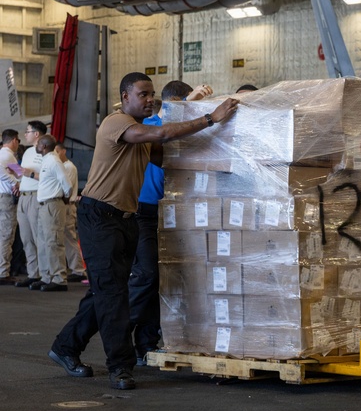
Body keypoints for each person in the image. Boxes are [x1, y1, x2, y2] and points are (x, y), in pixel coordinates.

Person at [49, 72, 239, 390]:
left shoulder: (141, 137)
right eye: (143, 94)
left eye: (152, 94)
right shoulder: (116, 122)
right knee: (114, 296)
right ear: (125, 97)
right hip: (99, 217)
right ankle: (120, 368)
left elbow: (167, 155)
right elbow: (162, 134)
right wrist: (210, 118)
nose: (149, 99)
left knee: (106, 292)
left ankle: (65, 347)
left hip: (127, 219)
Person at [129, 80, 212, 366]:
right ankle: (119, 330)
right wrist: (187, 103)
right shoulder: (151, 123)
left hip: (174, 212)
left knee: (165, 281)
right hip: (144, 211)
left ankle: (147, 343)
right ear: (172, 102)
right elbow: (164, 127)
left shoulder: (186, 132)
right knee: (148, 274)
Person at [33, 135, 71, 292]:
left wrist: (65, 198)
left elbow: (67, 184)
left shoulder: (54, 161)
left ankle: (59, 278)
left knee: (53, 242)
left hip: (52, 205)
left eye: (38, 143)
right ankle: (47, 276)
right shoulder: (48, 160)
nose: (36, 145)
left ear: (43, 146)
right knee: (43, 242)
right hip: (44, 205)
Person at [14, 120, 46, 288]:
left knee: (37, 237)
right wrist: (18, 180)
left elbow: (48, 177)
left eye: (27, 131)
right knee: (26, 237)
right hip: (23, 196)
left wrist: (31, 174)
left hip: (36, 197)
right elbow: (23, 174)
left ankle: (44, 273)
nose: (24, 135)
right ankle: (33, 273)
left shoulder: (46, 152)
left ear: (36, 134)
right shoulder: (26, 153)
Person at [55, 143, 85, 282]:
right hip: (62, 204)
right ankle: (73, 267)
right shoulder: (60, 166)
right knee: (64, 237)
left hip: (67, 204)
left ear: (63, 151)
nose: (55, 155)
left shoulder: (69, 167)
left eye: (57, 151)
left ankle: (78, 269)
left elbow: (65, 187)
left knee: (69, 237)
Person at [0, 129, 21, 285]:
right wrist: (15, 182)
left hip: (2, 197)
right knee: (7, 235)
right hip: (6, 199)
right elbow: (21, 174)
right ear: (14, 140)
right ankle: (3, 272)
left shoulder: (3, 154)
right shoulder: (8, 155)